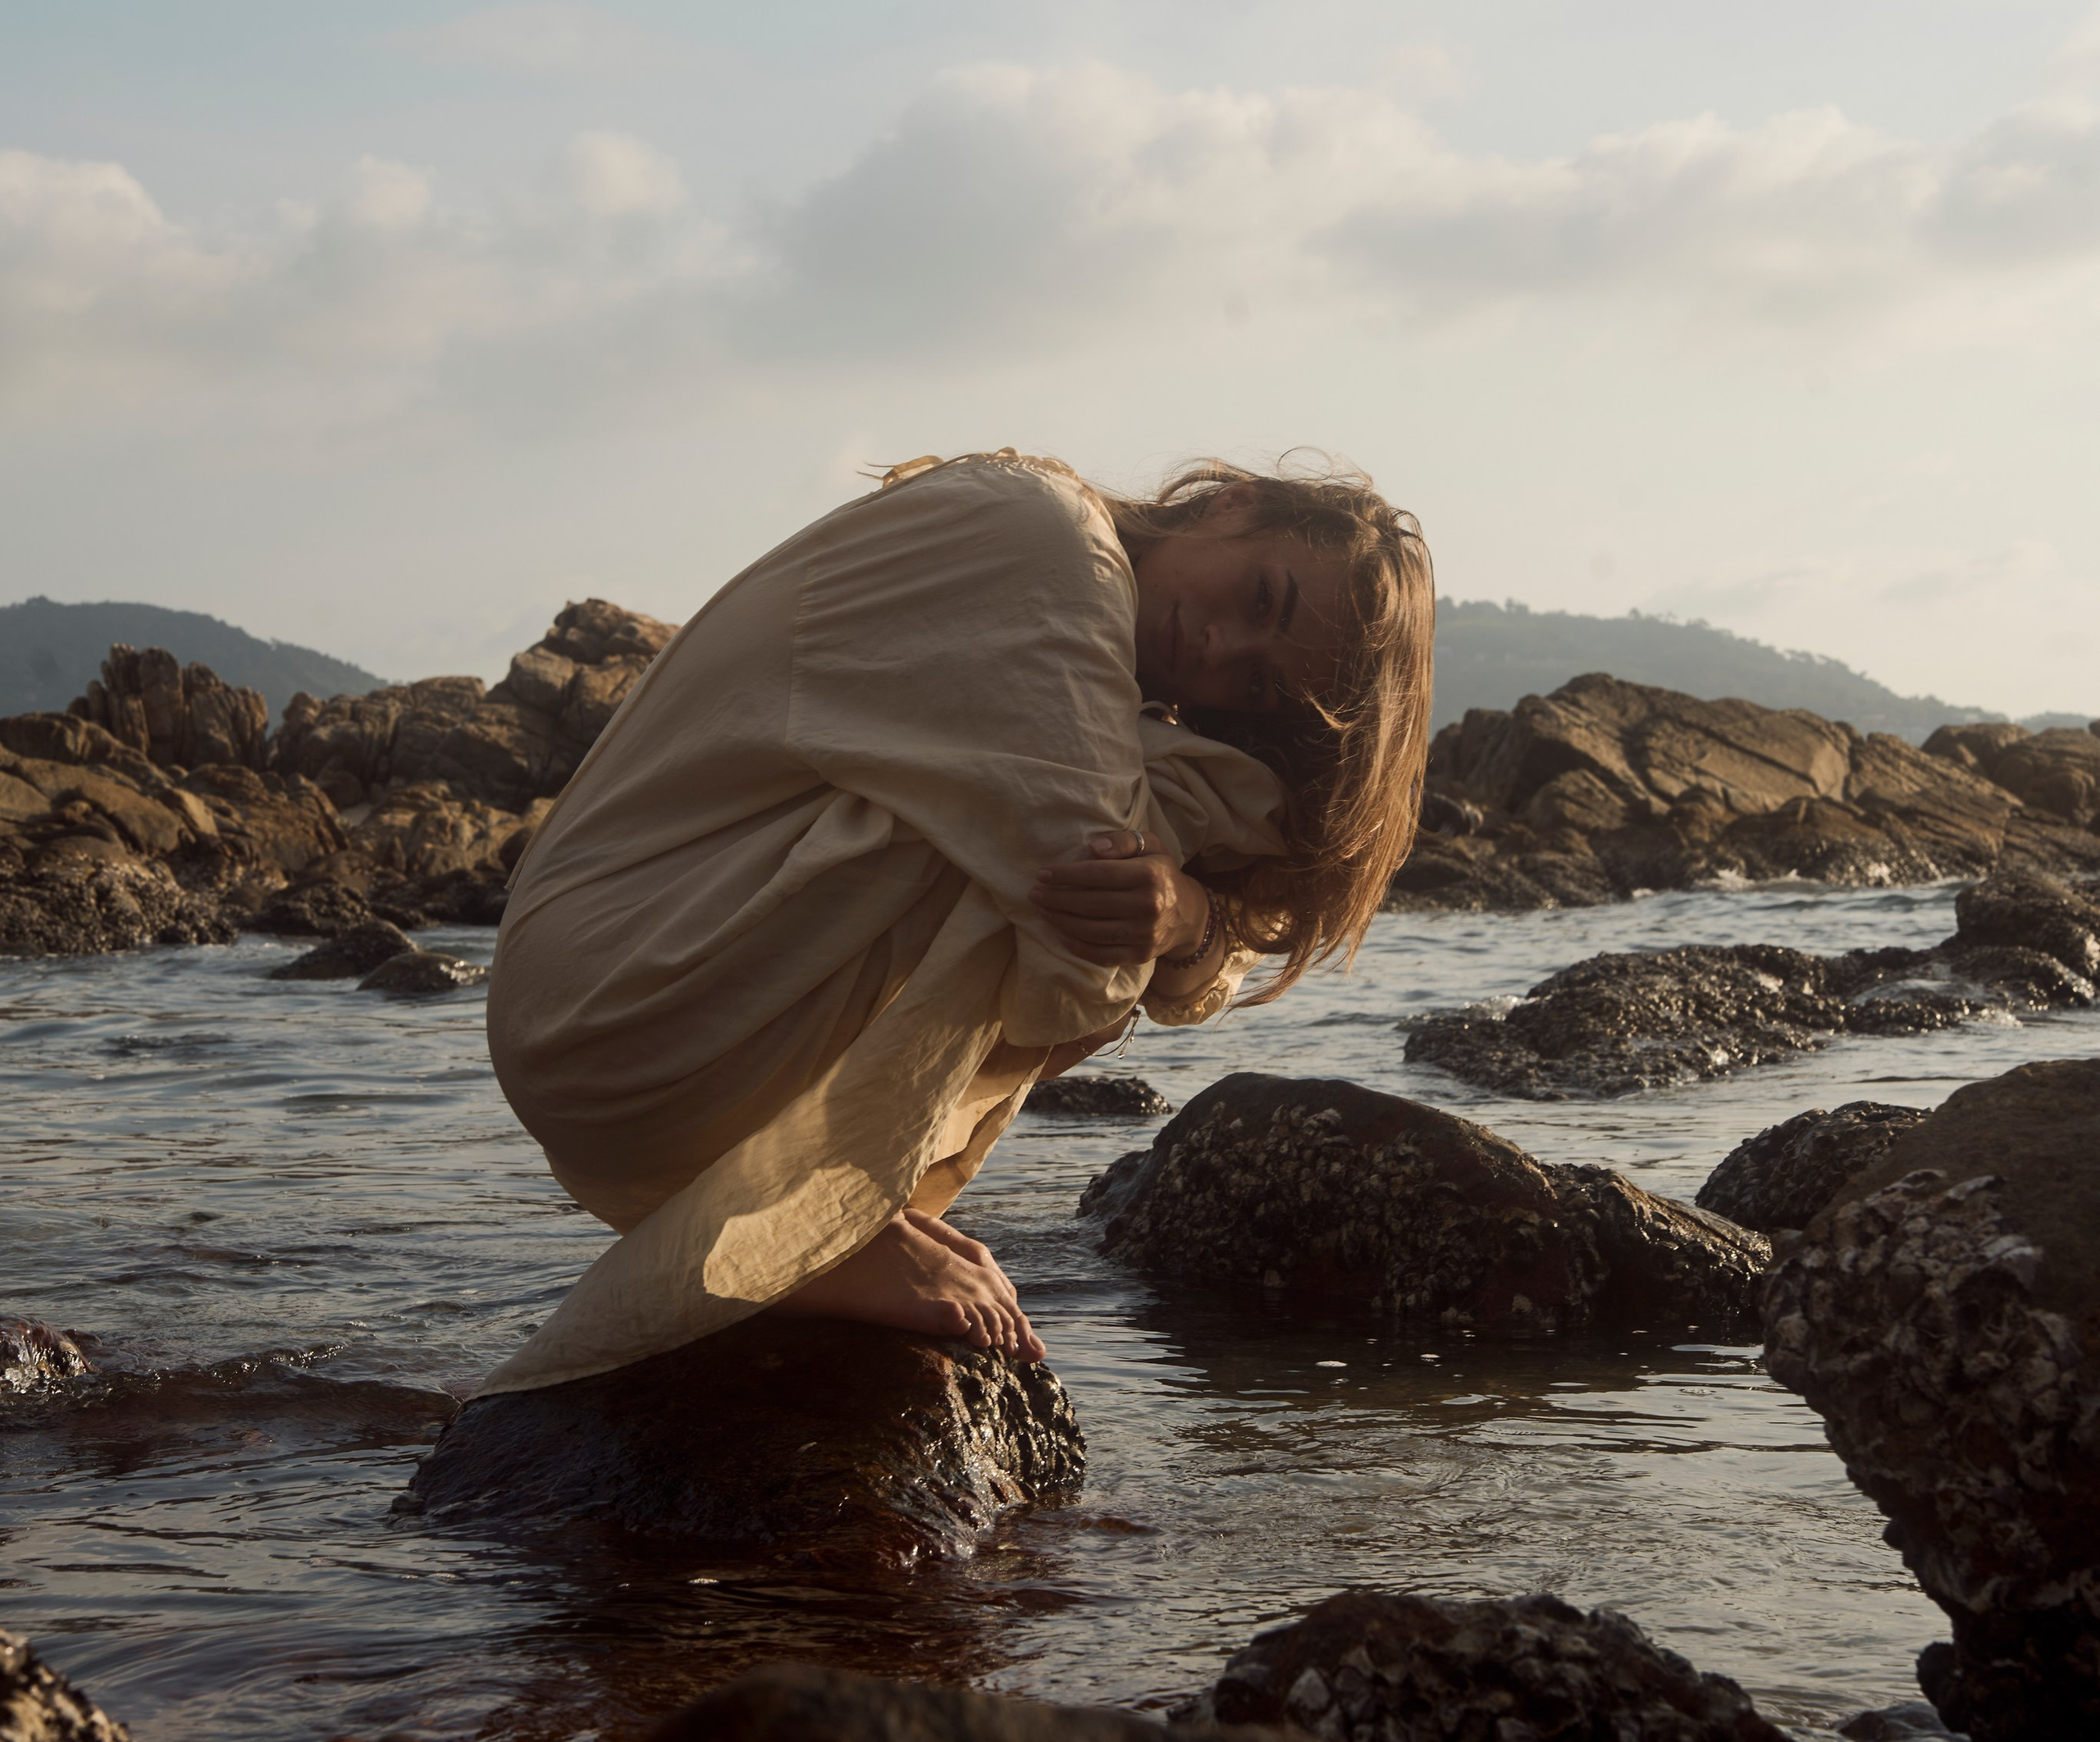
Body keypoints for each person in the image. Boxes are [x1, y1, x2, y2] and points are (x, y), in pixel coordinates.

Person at [480, 449, 1433, 1394]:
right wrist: (1182, 872)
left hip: (620, 1026)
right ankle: (818, 1234)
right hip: (617, 1006)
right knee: (1140, 824)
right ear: (1237, 502)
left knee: (1111, 825)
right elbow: (1081, 978)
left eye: (1261, 687)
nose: (1222, 652)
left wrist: (1186, 917)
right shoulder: (1048, 542)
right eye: (1263, 599)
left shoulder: (1096, 622)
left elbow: (1173, 956)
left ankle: (827, 1212)